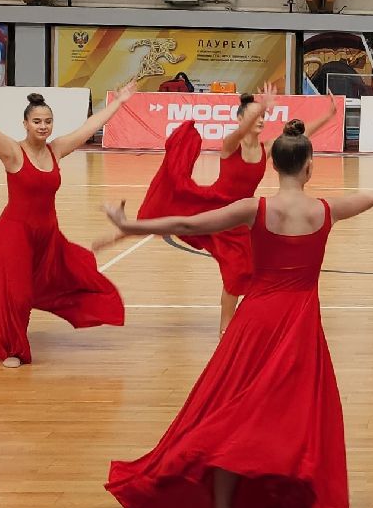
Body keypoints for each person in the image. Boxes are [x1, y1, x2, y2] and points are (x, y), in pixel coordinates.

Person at [98, 127, 373, 508]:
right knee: (287, 423)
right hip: (298, 327)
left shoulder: (253, 209)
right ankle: (269, 507)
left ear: (273, 166)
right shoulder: (326, 210)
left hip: (254, 323)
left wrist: (131, 224)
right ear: (310, 167)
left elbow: (187, 222)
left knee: (228, 416)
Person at [0, 70, 131, 365]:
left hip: (48, 235)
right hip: (15, 235)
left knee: (75, 276)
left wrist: (118, 102)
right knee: (17, 295)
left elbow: (89, 126)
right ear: (26, 124)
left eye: (48, 122)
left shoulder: (56, 150)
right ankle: (12, 348)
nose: (43, 127)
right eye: (37, 122)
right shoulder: (13, 153)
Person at [126, 93, 340, 337]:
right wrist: (258, 109)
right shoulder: (230, 144)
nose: (261, 120)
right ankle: (225, 329)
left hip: (244, 218)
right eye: (254, 116)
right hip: (219, 209)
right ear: (241, 119)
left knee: (248, 272)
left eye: (263, 116)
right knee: (235, 270)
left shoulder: (266, 148)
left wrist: (328, 116)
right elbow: (241, 133)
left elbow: (297, 138)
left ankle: (244, 324)